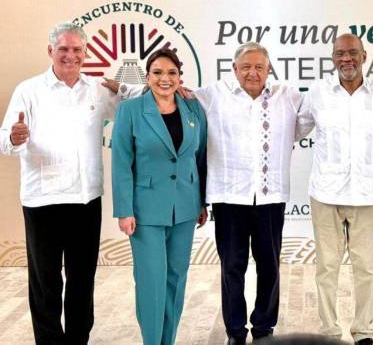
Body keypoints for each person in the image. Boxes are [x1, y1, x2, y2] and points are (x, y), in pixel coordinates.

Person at [0, 22, 127, 344]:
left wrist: (165, 88)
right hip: (42, 200)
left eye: (77, 50)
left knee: (82, 279)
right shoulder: (28, 91)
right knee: (45, 281)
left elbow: (135, 105)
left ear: (86, 53)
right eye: (63, 49)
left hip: (86, 199)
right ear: (50, 52)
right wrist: (14, 138)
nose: (70, 56)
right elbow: (5, 140)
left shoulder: (98, 89)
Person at [193, 43, 304, 345]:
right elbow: (171, 92)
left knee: (270, 266)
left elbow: (320, 113)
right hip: (230, 199)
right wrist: (121, 88)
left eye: (259, 67)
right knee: (232, 267)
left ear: (269, 70)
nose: (253, 73)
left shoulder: (289, 97)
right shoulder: (214, 95)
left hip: (270, 197)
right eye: (246, 67)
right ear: (234, 69)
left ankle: (264, 328)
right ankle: (235, 331)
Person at [296, 33, 373, 345]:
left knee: (365, 267)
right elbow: (294, 129)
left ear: (364, 56)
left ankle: (364, 331)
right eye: (340, 53)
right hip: (326, 193)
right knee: (327, 267)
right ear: (332, 58)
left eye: (352, 53)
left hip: (366, 194)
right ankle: (329, 332)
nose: (346, 59)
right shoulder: (317, 92)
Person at [111, 48, 208, 345]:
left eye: (171, 73)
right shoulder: (130, 110)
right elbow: (121, 162)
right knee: (152, 281)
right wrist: (124, 210)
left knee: (176, 280)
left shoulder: (194, 109)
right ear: (147, 76)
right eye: (157, 73)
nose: (165, 79)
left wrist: (202, 202)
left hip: (186, 208)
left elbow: (200, 158)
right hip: (145, 211)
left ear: (180, 77)